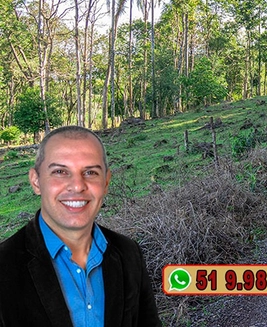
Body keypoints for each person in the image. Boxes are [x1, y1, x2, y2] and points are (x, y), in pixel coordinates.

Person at [0, 125, 162, 327]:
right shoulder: (4, 265)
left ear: (106, 182)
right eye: (60, 171)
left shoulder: (129, 254)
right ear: (36, 181)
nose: (77, 186)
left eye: (91, 172)